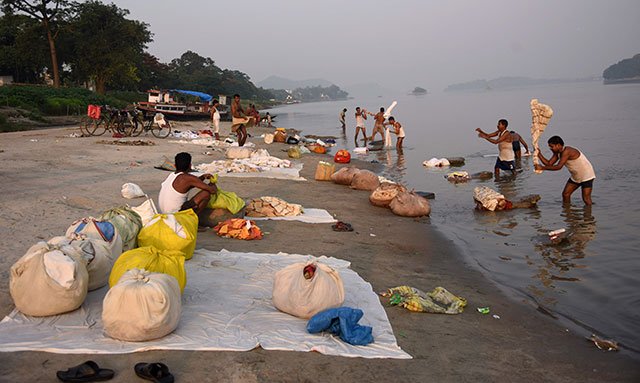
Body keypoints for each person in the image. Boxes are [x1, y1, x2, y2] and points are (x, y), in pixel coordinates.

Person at [535, 135, 595, 205]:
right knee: (565, 194)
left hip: (586, 175)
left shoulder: (567, 151)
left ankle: (589, 214)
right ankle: (567, 211)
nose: (550, 148)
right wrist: (539, 154)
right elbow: (549, 163)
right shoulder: (557, 153)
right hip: (576, 176)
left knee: (586, 199)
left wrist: (542, 168)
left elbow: (559, 167)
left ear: (558, 145)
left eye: (551, 146)